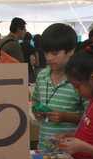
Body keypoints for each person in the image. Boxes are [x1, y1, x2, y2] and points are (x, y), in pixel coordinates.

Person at [32, 23, 86, 151]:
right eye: (46, 53)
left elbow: (90, 118)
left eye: (55, 53)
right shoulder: (42, 75)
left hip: (71, 152)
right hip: (44, 148)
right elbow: (35, 101)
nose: (49, 58)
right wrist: (36, 110)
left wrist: (65, 117)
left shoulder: (80, 80)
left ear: (71, 51)